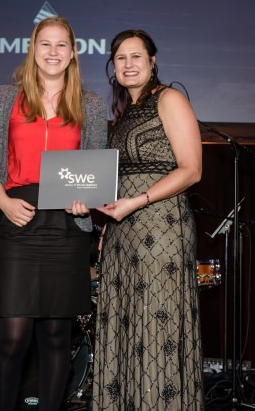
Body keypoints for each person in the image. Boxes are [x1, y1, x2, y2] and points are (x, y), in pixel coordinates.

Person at [0, 16, 107, 411]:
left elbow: (94, 167)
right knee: (11, 337)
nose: (53, 52)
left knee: (55, 338)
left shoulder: (90, 103)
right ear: (33, 49)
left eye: (61, 45)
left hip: (67, 227)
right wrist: (3, 201)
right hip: (16, 221)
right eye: (45, 44)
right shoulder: (5, 97)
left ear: (72, 53)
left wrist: (87, 197)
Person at [92, 29, 204, 410]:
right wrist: (109, 224)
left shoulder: (169, 98)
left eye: (136, 56)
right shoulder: (124, 112)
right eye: (120, 58)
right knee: (126, 328)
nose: (128, 64)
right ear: (113, 67)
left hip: (162, 228)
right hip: (124, 231)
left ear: (152, 61)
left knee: (157, 332)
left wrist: (136, 201)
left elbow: (191, 170)